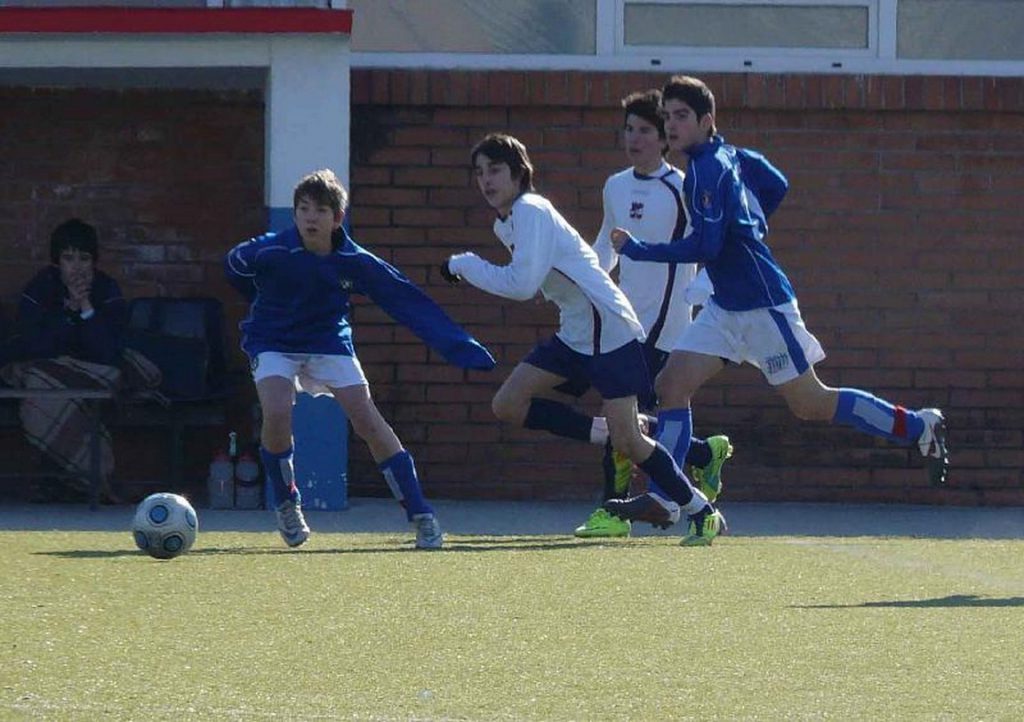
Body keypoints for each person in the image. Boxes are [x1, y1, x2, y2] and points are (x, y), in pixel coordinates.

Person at [607, 75, 949, 528]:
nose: (672, 125)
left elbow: (707, 246)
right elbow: (776, 183)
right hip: (724, 305)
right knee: (671, 384)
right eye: (667, 116)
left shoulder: (708, 169)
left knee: (811, 403)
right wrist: (750, 223)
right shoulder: (728, 155)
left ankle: (919, 426)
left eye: (682, 116)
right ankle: (666, 497)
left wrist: (639, 249)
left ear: (706, 121)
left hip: (762, 305)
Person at [443, 133, 725, 546]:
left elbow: (522, 285)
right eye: (480, 172)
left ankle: (701, 511)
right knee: (508, 404)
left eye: (496, 170)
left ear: (519, 174)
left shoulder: (531, 210)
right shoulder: (507, 222)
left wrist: (464, 264)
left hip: (608, 330)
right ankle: (609, 433)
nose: (486, 180)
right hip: (577, 332)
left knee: (631, 441)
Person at [224, 169, 494, 549]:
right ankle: (287, 502)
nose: (311, 218)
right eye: (304, 209)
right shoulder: (270, 250)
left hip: (329, 342)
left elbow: (406, 301)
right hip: (273, 341)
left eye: (321, 211)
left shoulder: (355, 261)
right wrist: (261, 298)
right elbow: (234, 265)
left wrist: (459, 345)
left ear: (338, 218)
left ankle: (421, 514)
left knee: (366, 418)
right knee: (278, 408)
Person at [573, 88, 734, 539]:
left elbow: (707, 246)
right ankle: (702, 455)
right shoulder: (615, 185)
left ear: (665, 138)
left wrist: (702, 291)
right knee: (627, 420)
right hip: (624, 319)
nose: (635, 138)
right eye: (629, 129)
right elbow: (605, 245)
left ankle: (614, 509)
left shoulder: (682, 186)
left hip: (667, 326)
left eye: (645, 130)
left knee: (623, 417)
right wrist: (582, 283)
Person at [1, 218, 161, 502]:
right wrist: (67, 316)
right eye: (68, 258)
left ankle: (78, 481)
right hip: (48, 371)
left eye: (84, 259)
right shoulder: (40, 288)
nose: (77, 267)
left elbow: (109, 353)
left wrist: (85, 309)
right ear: (57, 263)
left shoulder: (106, 290)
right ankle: (77, 479)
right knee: (42, 385)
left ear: (94, 262)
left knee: (103, 383)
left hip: (94, 372)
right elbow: (32, 346)